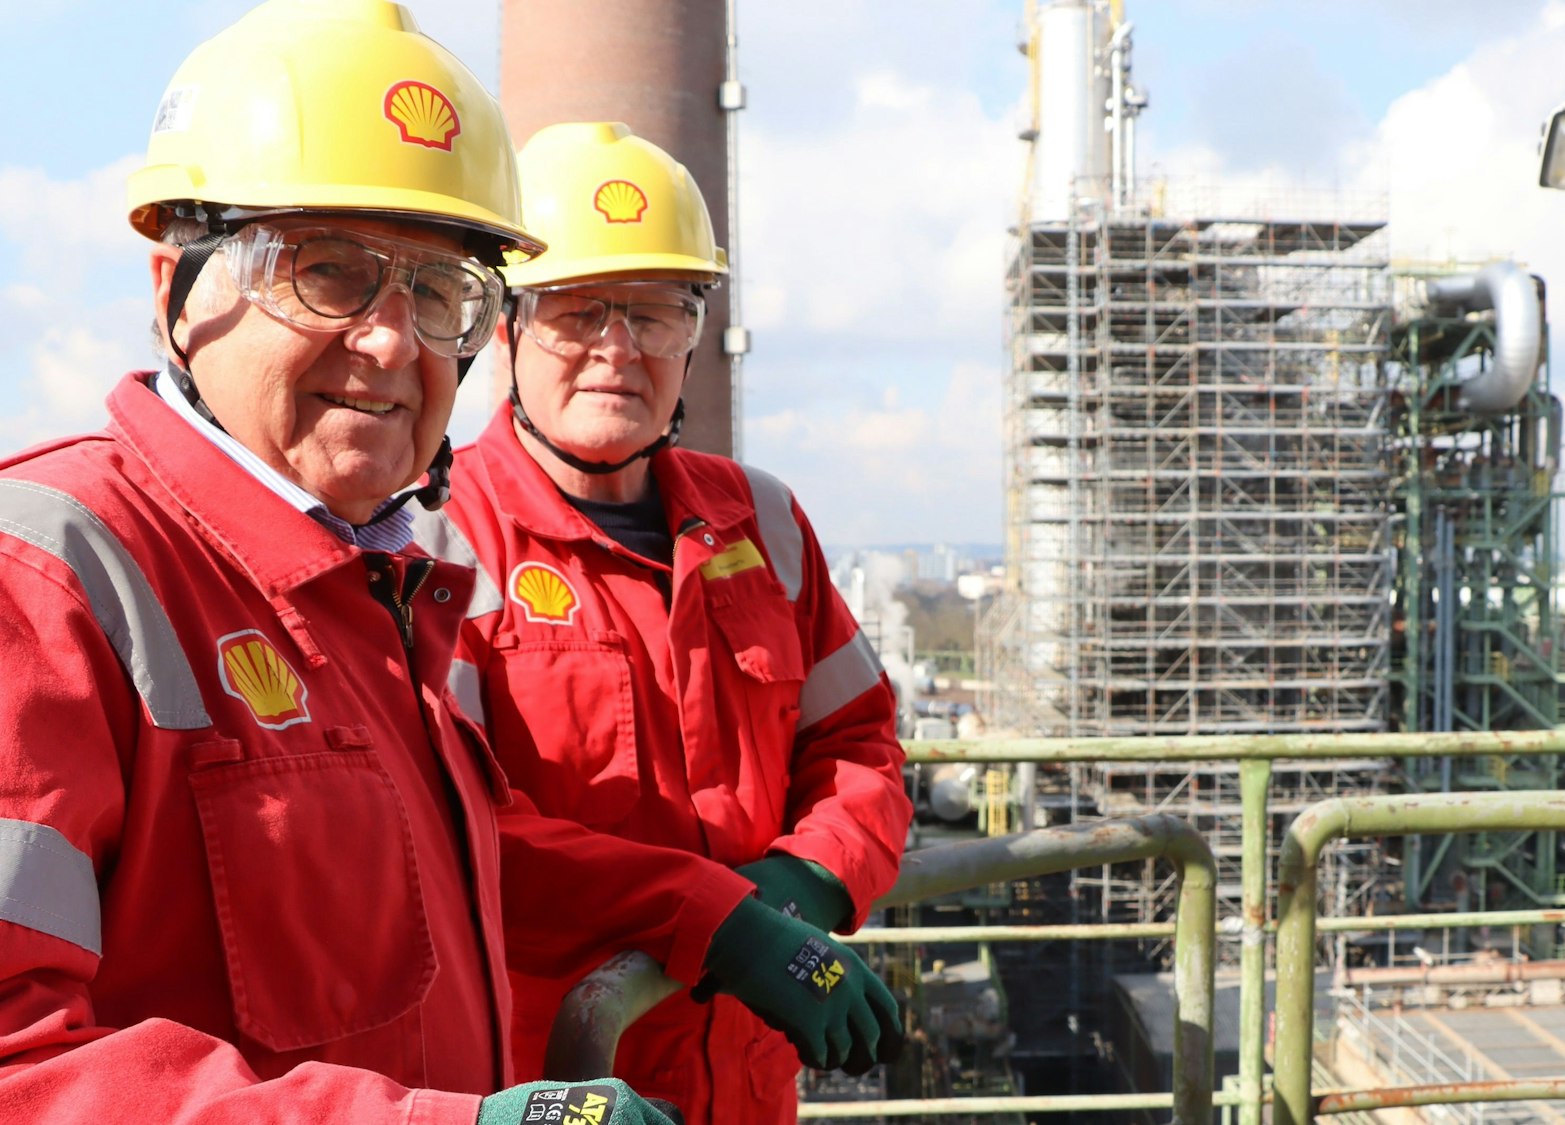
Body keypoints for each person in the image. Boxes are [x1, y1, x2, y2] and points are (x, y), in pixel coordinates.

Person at [0, 4, 890, 1122]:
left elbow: (468, 863)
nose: (390, 340)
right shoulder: (48, 574)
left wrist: (746, 902)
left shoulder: (379, 589)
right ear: (174, 285)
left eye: (434, 292)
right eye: (325, 273)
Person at [415, 121, 912, 1124]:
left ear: (696, 337)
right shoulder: (436, 546)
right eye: (578, 312)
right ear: (506, 329)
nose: (617, 350)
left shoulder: (760, 521)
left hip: (747, 1079)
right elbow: (455, 832)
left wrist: (812, 878)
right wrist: (715, 921)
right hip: (552, 1081)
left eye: (653, 313)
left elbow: (858, 742)